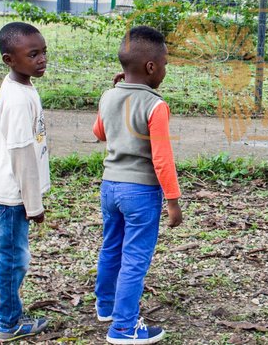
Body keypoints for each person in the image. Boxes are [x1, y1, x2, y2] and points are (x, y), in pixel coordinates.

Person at [92, 26, 183, 344]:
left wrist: (114, 98)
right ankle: (124, 327)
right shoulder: (155, 105)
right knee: (134, 258)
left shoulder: (109, 96)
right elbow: (162, 158)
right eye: (165, 64)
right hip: (140, 193)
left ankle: (106, 306)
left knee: (111, 247)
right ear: (151, 67)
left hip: (110, 187)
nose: (166, 70)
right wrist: (173, 200)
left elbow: (99, 133)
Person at [0, 22, 50, 342]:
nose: (42, 59)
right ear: (9, 59)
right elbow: (22, 155)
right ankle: (9, 323)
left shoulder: (15, 84)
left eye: (43, 52)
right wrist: (34, 205)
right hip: (11, 196)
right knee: (12, 260)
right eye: (33, 54)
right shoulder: (20, 98)